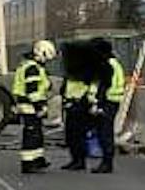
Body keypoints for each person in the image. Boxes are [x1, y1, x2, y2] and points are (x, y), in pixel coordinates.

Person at [11, 39, 55, 176]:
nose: (46, 61)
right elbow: (33, 91)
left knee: (37, 134)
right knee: (31, 134)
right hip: (30, 106)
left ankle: (38, 159)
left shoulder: (32, 66)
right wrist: (40, 107)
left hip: (30, 105)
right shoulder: (32, 68)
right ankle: (28, 163)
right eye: (46, 58)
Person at [89, 37, 126, 174]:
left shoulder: (107, 65)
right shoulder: (113, 63)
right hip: (111, 102)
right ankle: (106, 161)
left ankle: (107, 163)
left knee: (105, 133)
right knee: (105, 132)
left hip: (107, 103)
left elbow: (104, 86)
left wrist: (98, 105)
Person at [60, 39, 97, 170]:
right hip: (71, 104)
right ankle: (74, 159)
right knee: (70, 135)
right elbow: (67, 86)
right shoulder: (72, 69)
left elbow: (92, 88)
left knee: (78, 135)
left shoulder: (86, 70)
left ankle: (80, 161)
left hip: (80, 105)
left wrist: (90, 102)